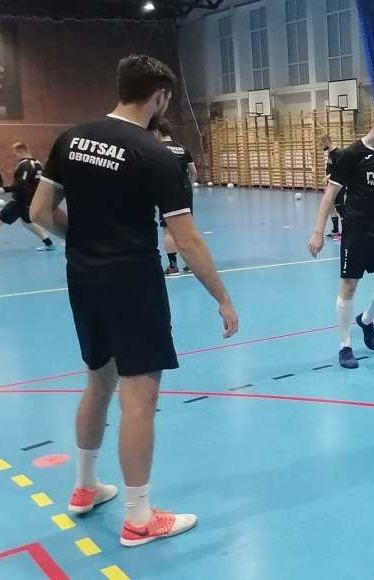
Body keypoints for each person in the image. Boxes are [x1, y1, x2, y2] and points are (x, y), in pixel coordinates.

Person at [30, 55, 239, 545]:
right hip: (133, 284)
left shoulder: (71, 138)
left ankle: (84, 488)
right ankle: (139, 518)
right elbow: (185, 239)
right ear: (160, 96)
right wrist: (223, 298)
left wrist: (85, 242)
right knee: (139, 398)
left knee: (97, 382)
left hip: (83, 278)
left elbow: (40, 211)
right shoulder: (155, 154)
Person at [308, 106, 374, 369]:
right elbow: (330, 195)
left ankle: (366, 319)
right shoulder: (350, 155)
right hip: (356, 232)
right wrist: (318, 232)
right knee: (349, 286)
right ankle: (345, 345)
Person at [0, 142, 55, 252]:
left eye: (15, 154)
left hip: (19, 202)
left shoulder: (25, 166)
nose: (14, 156)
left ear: (20, 151)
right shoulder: (38, 164)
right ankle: (49, 243)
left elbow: (21, 185)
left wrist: (5, 189)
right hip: (30, 201)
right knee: (27, 222)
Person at [152, 118, 197, 274]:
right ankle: (192, 264)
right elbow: (193, 172)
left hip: (167, 191)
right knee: (187, 227)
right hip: (185, 189)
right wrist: (189, 186)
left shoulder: (157, 150)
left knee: (169, 229)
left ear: (156, 132)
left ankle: (173, 266)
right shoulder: (183, 149)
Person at [320, 134, 345, 240]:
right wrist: (327, 184)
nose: (320, 147)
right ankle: (335, 230)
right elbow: (331, 168)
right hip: (331, 185)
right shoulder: (330, 153)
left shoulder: (338, 153)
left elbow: (341, 170)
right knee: (331, 207)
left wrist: (328, 177)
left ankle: (345, 232)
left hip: (338, 185)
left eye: (321, 144)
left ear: (326, 142)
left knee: (340, 208)